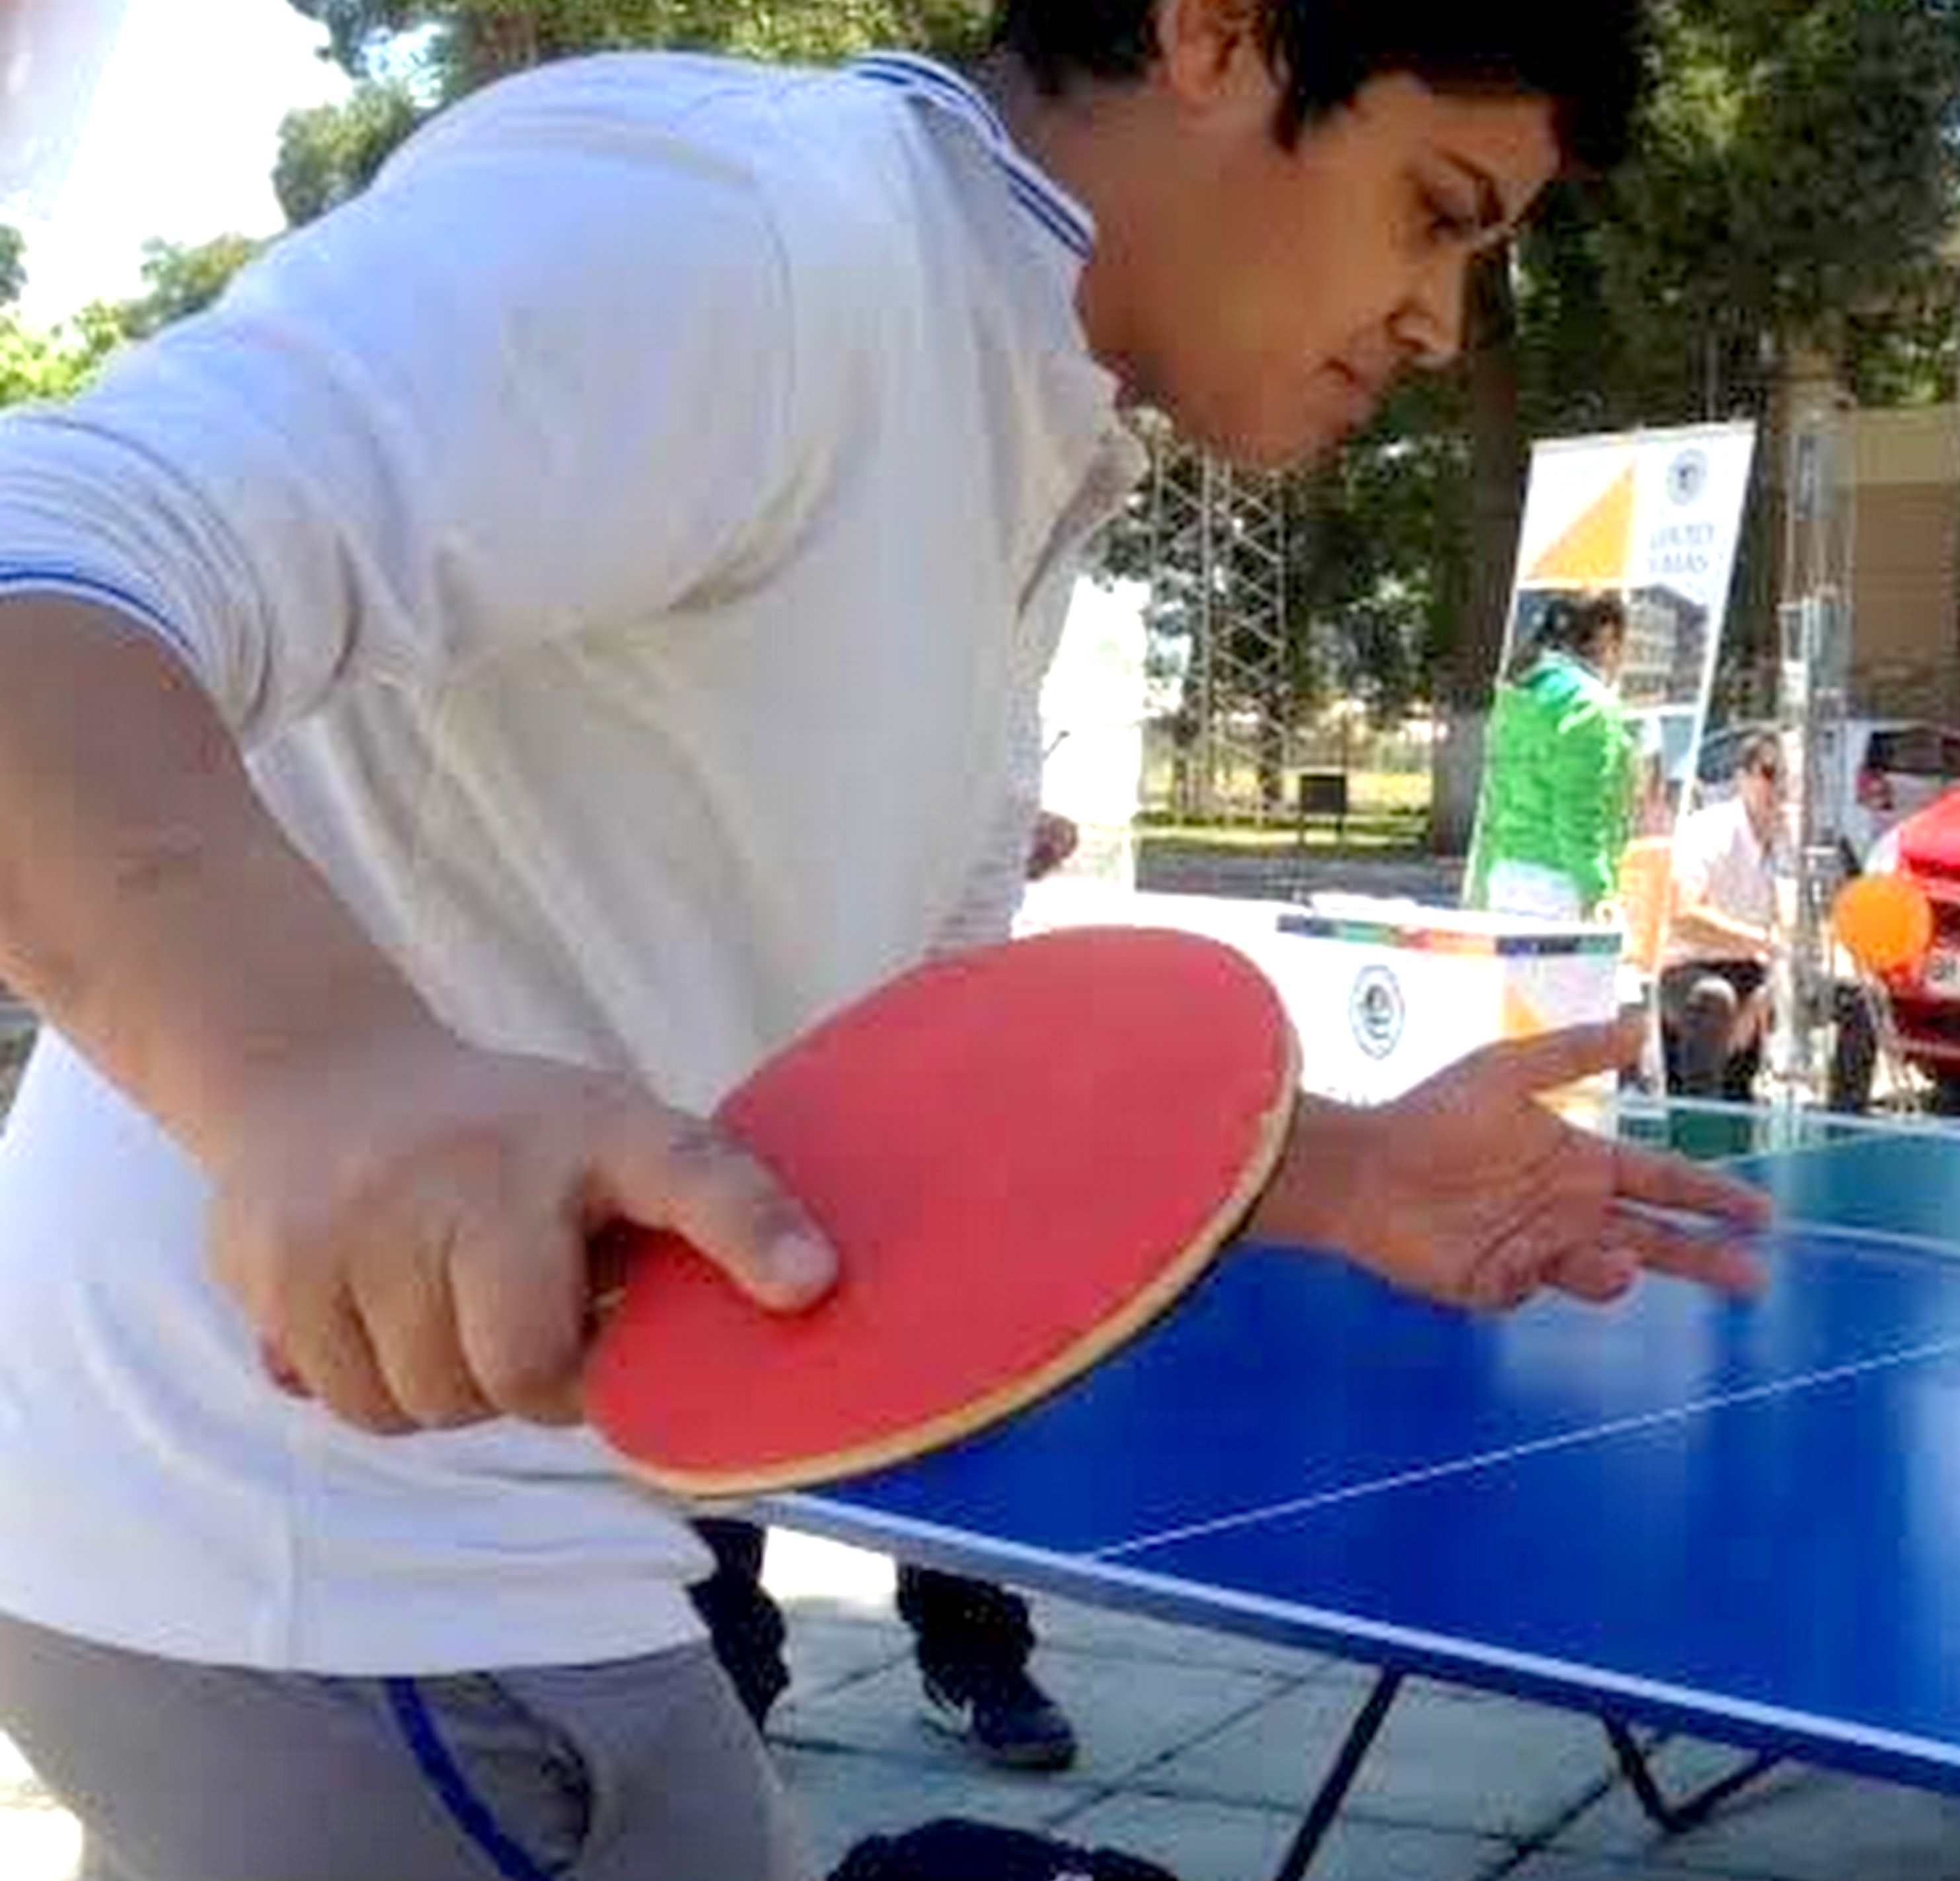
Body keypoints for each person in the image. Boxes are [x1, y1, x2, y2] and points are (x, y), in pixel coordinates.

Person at [0, 7, 1768, 1880]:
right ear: (1216, 33)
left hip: (467, 1551)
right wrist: (319, 1076)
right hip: (330, 1558)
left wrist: (1338, 1169)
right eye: (1434, 211)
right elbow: (49, 556)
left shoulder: (1018, 416)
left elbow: (896, 1094)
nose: (1440, 322)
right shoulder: (753, 228)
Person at [689, 805, 1093, 1771]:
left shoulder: (997, 690)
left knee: (949, 1386)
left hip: (926, 1078)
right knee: (720, 1377)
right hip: (734, 1055)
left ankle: (975, 1652)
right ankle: (729, 1670)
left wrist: (979, 823)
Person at [1657, 730, 1877, 1110]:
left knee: (1860, 1000)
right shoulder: (1707, 832)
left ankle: (1842, 1128)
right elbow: (1683, 917)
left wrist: (1765, 996)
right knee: (1714, 998)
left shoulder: (1801, 844)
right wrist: (1763, 943)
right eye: (1770, 773)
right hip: (1690, 968)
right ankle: (1698, 1130)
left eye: (1794, 778)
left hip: (1763, 971)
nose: (1782, 788)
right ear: (1743, 778)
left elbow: (1811, 936)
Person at [1467, 591, 1638, 920]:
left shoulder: (1516, 695)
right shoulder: (1590, 707)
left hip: (1506, 876)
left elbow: (1494, 801)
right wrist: (1598, 893)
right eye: (1625, 643)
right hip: (1561, 888)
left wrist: (1480, 887)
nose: (1624, 658)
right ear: (1606, 636)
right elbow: (1578, 816)